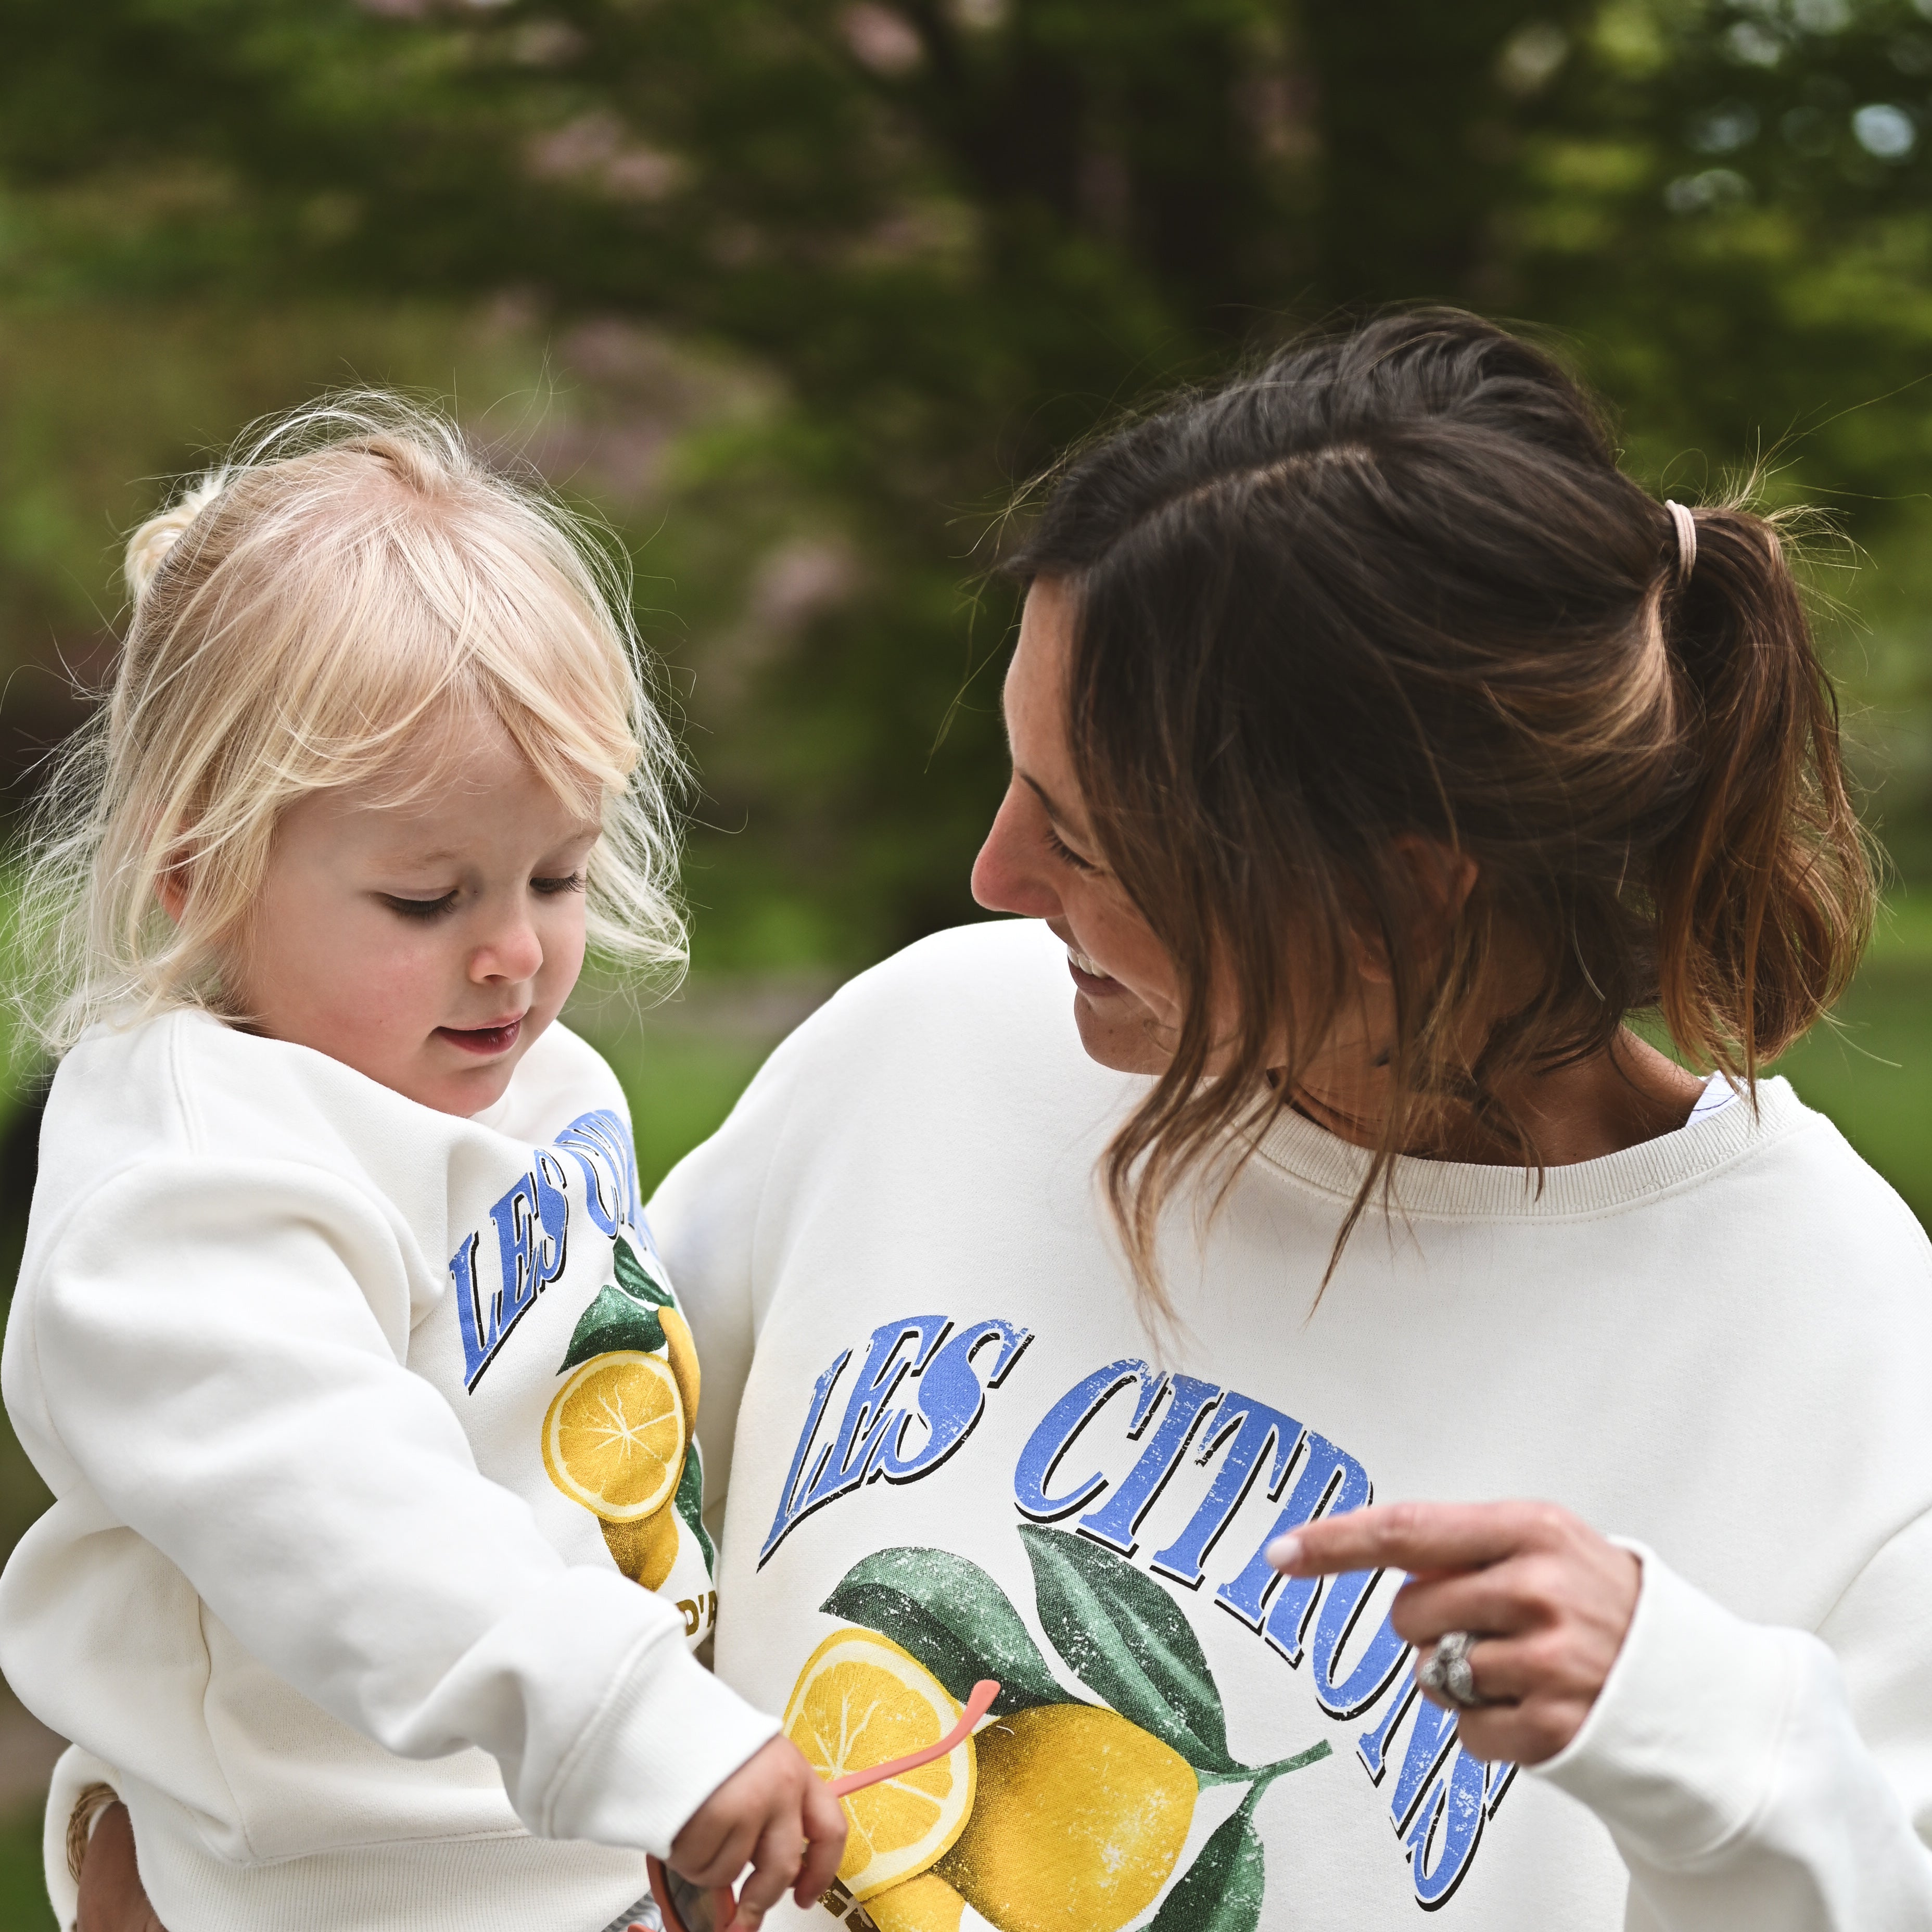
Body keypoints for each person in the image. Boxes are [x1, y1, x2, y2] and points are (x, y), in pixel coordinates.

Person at [646, 313, 1932, 1930]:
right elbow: (521, 1510)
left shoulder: (1833, 1341)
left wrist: (1708, 1736)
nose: (995, 880)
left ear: (1398, 891)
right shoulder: (930, 1049)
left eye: (1086, 842)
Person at [0, 399, 844, 1932]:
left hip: (587, 1839)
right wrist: (653, 1734)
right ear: (200, 871)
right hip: (343, 1889)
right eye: (423, 897)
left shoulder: (523, 1079)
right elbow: (356, 1519)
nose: (515, 953)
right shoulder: (185, 1191)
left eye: (558, 874)